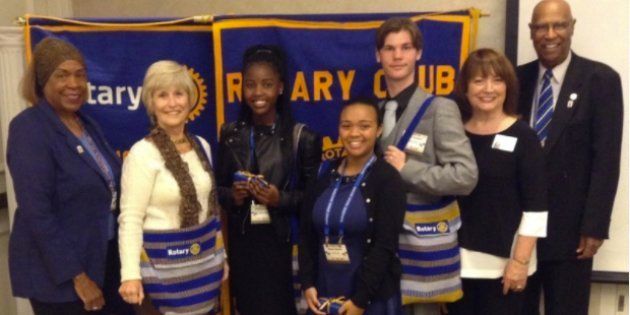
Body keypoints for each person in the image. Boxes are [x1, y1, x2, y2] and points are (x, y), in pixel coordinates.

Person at [7, 37, 132, 315]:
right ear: (42, 81)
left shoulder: (87, 124)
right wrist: (76, 276)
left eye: (80, 75)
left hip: (104, 260)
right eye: (61, 75)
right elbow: (37, 213)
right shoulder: (29, 129)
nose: (73, 84)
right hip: (62, 278)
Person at [517, 1, 623, 314]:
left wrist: (595, 225)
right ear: (531, 32)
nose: (550, 34)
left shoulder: (600, 80)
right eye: (541, 27)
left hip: (572, 234)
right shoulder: (513, 80)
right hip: (519, 231)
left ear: (572, 27)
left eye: (559, 25)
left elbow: (606, 159)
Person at [374, 17, 478, 314]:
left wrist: (408, 169)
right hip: (383, 246)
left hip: (423, 251)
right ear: (378, 55)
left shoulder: (440, 108)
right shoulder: (375, 112)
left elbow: (466, 176)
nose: (397, 56)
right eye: (390, 48)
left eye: (406, 47)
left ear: (418, 53)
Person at [216, 45, 322, 315]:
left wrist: (280, 199)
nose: (258, 93)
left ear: (281, 88)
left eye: (267, 84)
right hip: (244, 245)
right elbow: (216, 189)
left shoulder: (303, 138)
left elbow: (316, 200)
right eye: (250, 85)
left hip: (284, 246)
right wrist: (233, 196)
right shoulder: (230, 134)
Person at [117, 60, 226, 314]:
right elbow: (130, 218)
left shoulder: (202, 146)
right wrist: (130, 275)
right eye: (162, 95)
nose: (172, 103)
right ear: (151, 103)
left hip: (203, 274)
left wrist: (222, 257)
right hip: (160, 279)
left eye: (179, 93)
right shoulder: (142, 153)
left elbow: (211, 211)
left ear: (189, 99)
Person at [445, 48, 548, 315]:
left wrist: (520, 262)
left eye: (497, 80)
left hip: (505, 269)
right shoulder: (452, 135)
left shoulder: (524, 137)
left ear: (508, 86)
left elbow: (536, 208)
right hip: (456, 266)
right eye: (478, 81)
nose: (488, 88)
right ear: (465, 88)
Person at [299, 98, 406, 315]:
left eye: (364, 126)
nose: (354, 133)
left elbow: (384, 247)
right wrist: (307, 282)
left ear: (378, 130)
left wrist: (360, 301)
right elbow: (306, 235)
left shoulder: (388, 179)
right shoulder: (322, 174)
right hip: (323, 295)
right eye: (346, 126)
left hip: (369, 298)